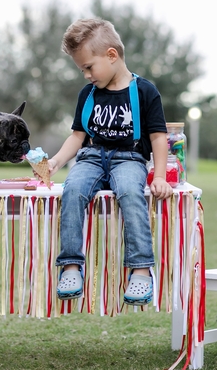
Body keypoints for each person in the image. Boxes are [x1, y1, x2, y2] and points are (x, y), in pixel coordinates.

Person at [45, 17, 172, 306]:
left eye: (89, 67)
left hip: (129, 158)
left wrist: (160, 176)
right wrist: (56, 161)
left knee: (130, 192)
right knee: (73, 189)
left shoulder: (144, 91)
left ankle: (140, 269)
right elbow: (77, 137)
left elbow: (158, 138)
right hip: (90, 157)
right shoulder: (88, 94)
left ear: (111, 55)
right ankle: (71, 266)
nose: (86, 75)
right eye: (82, 70)